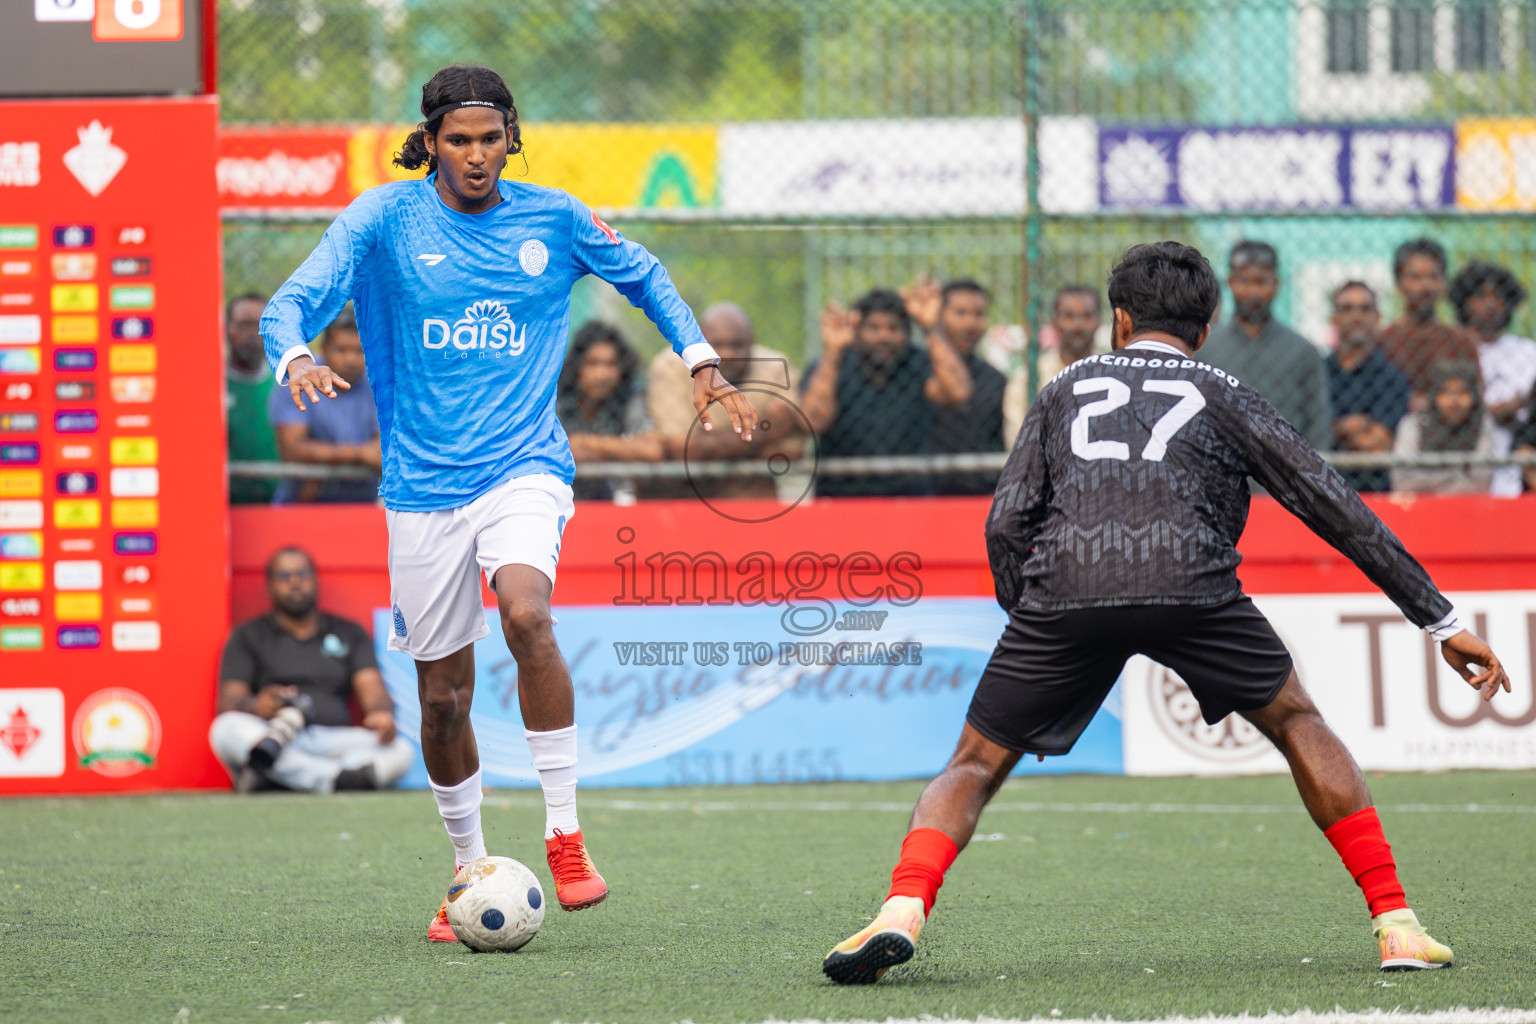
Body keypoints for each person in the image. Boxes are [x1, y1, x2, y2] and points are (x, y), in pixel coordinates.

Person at [822, 241, 1509, 985]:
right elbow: (1332, 506)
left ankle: (900, 910)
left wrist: (1033, 618)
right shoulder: (1222, 389)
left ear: (1120, 319)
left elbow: (1005, 523)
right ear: (1205, 327)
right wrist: (1439, 620)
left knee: (975, 763)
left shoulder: (1061, 389)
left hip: (1066, 589)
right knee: (1298, 722)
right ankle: (1398, 925)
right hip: (1194, 586)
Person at [259, 64, 755, 941]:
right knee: (443, 700)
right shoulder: (382, 219)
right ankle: (468, 868)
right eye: (459, 140)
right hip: (420, 488)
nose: (477, 156)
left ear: (511, 137)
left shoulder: (554, 218)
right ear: (432, 143)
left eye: (491, 138)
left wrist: (699, 358)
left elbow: (643, 275)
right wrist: (294, 355)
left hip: (524, 464)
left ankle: (564, 834)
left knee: (528, 615)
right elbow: (296, 297)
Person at [209, 547, 413, 793]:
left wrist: (382, 716)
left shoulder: (348, 632)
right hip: (277, 736)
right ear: (269, 586)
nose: (295, 583)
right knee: (224, 729)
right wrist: (257, 705)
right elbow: (228, 703)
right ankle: (331, 780)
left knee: (401, 752)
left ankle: (281, 776)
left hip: (335, 740)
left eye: (302, 574)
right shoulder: (247, 635)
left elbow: (374, 694)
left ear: (315, 580)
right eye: (284, 577)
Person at [800, 288, 972, 497]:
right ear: (857, 331)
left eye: (894, 328)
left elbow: (958, 392)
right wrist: (833, 350)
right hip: (841, 494)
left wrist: (930, 326)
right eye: (873, 328)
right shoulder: (833, 365)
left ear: (907, 333)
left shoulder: (917, 363)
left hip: (909, 494)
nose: (884, 337)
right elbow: (813, 421)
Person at [645, 302, 803, 500]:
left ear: (752, 341)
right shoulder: (670, 365)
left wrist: (710, 444)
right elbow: (682, 450)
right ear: (699, 341)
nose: (727, 354)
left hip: (750, 495)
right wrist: (766, 430)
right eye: (716, 344)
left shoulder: (777, 366)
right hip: (685, 492)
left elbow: (789, 452)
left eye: (736, 345)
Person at [1197, 241, 1330, 449]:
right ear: (1230, 282)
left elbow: (1318, 425)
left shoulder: (1302, 351)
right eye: (1245, 281)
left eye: (1262, 282)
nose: (1254, 292)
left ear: (1276, 284)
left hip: (1283, 469)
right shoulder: (1204, 346)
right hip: (1217, 468)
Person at [267, 308, 382, 503]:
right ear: (325, 348)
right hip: (301, 504)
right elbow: (293, 450)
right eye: (341, 349)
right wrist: (360, 454)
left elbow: (383, 450)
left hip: (362, 508)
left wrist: (325, 455)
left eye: (359, 350)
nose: (350, 359)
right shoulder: (298, 379)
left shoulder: (378, 383)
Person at [909, 277, 1007, 495]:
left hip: (982, 493)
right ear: (940, 315)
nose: (970, 324)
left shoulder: (995, 379)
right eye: (960, 313)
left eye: (978, 314)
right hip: (927, 493)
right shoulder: (917, 369)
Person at [1448, 262, 1536, 496]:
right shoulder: (1452, 350)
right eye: (1479, 296)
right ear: (1463, 301)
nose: (1490, 304)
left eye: (1498, 296)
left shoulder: (1528, 351)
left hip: (1519, 454)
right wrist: (1506, 407)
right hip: (1463, 459)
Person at [557, 320, 662, 502]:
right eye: (593, 363)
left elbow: (652, 449)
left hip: (616, 495)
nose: (602, 374)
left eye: (610, 364)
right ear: (577, 367)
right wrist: (621, 448)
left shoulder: (627, 396)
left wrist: (588, 443)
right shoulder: (560, 397)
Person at [1324, 282, 1409, 493]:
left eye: (1364, 308)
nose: (1356, 316)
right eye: (1347, 309)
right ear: (1334, 319)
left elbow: (1378, 445)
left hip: (1373, 492)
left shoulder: (1392, 377)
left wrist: (1333, 429)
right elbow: (1306, 434)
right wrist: (1350, 427)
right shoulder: (1318, 372)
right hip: (1321, 487)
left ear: (1377, 318)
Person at [1378, 238, 1480, 408]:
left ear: (1443, 283)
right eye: (1415, 277)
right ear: (1399, 284)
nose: (1426, 286)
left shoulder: (1461, 343)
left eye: (1433, 276)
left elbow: (1475, 399)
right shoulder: (1382, 342)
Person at [1003, 285, 1104, 444]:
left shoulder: (1113, 372)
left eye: (1087, 316)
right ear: (1054, 321)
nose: (1078, 325)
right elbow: (1017, 441)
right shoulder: (1028, 377)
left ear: (1099, 321)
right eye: (1069, 316)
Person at [1390, 359, 1496, 495]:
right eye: (1445, 392)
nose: (1454, 401)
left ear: (1473, 397)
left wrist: (1428, 482)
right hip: (1419, 506)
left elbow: (1480, 484)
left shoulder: (1482, 425)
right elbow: (1403, 481)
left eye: (1462, 393)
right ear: (1434, 395)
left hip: (1467, 507)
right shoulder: (1413, 424)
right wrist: (1455, 478)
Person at [225, 292, 280, 505]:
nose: (252, 334)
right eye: (243, 325)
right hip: (225, 503)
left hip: (276, 505)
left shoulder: (283, 384)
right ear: (226, 328)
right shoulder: (210, 384)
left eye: (260, 325)